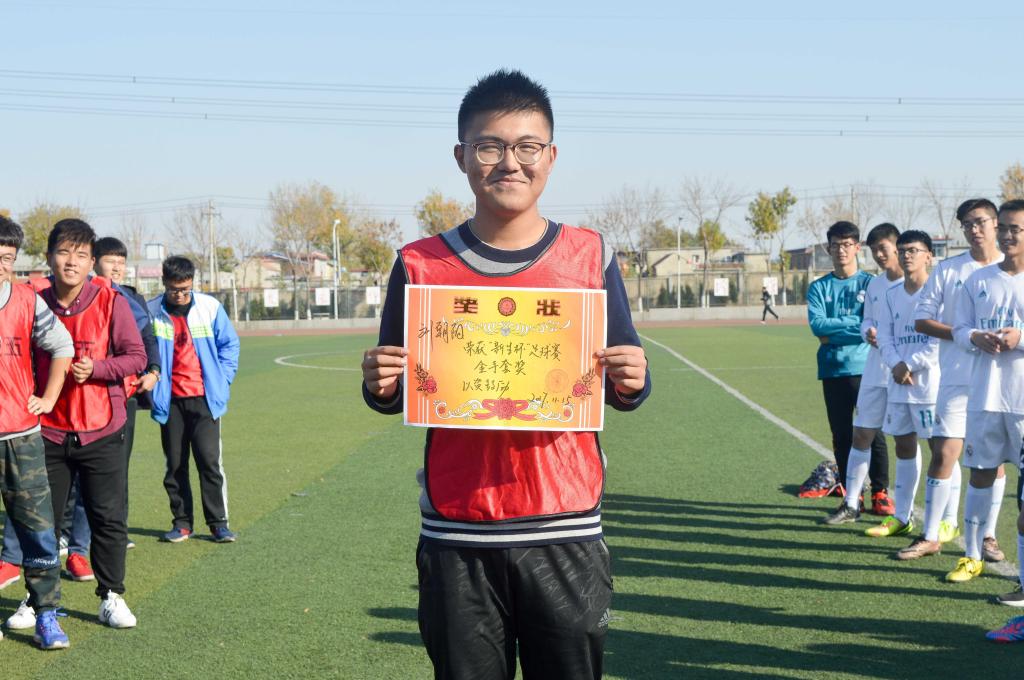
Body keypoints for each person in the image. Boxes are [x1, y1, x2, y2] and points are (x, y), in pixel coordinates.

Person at [360, 69, 651, 680]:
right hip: (458, 529)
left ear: (551, 156)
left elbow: (625, 383)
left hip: (565, 523)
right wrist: (379, 383)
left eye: (527, 147)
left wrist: (631, 378)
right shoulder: (418, 265)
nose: (510, 163)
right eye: (490, 147)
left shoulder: (590, 256)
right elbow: (396, 387)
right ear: (462, 156)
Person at [32, 218, 145, 628]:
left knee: (107, 518)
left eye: (81, 255)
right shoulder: (33, 301)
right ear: (49, 257)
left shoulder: (112, 301)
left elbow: (136, 357)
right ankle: (37, 599)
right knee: (40, 521)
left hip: (102, 426)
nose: (71, 262)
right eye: (63, 252)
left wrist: (97, 368)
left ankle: (111, 595)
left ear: (91, 261)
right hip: (48, 428)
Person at [899, 198, 1007, 562]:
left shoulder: (1012, 269)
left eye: (980, 222)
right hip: (957, 377)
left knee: (994, 460)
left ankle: (988, 536)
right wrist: (968, 336)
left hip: (1000, 381)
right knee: (944, 453)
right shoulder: (949, 269)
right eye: (967, 224)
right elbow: (922, 320)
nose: (974, 230)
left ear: (996, 223)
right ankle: (930, 535)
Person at [0, 215, 73, 649]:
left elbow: (62, 345)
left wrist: (48, 397)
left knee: (38, 529)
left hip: (20, 436)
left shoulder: (27, 301)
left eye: (7, 258)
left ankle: (46, 615)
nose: (1, 265)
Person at [147, 256, 240, 544]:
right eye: (174, 289)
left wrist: (222, 380)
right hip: (170, 401)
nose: (179, 295)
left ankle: (218, 524)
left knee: (209, 462)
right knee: (175, 464)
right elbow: (144, 351)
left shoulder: (209, 308)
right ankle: (182, 523)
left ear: (192, 283)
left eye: (185, 289)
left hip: (205, 399)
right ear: (164, 282)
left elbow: (229, 345)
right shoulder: (151, 311)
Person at [807, 221, 891, 515]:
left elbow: (876, 324)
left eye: (847, 244)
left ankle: (880, 491)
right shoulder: (818, 287)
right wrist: (857, 326)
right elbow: (819, 327)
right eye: (835, 245)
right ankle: (851, 494)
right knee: (841, 435)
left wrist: (837, 331)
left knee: (872, 431)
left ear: (857, 248)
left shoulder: (871, 284)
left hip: (867, 368)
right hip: (832, 369)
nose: (841, 250)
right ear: (828, 248)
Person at [823, 223, 902, 525]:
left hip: (905, 373)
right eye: (875, 250)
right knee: (861, 433)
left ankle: (897, 506)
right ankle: (851, 502)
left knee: (907, 441)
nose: (879, 255)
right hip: (874, 369)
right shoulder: (876, 286)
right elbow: (866, 320)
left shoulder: (916, 284)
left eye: (884, 248)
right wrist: (865, 330)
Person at [865, 231, 940, 541]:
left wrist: (909, 364)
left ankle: (944, 521)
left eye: (914, 250)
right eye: (903, 250)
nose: (907, 255)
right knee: (904, 446)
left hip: (929, 386)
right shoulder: (892, 294)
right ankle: (901, 517)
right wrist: (896, 364)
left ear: (928, 256)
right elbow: (884, 335)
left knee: (940, 451)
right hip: (898, 383)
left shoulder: (938, 292)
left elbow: (939, 340)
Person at [979, 200, 1024, 640]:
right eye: (1005, 228)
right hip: (994, 398)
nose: (1009, 236)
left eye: (1017, 229)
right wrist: (976, 336)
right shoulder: (982, 280)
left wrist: (1020, 337)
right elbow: (957, 328)